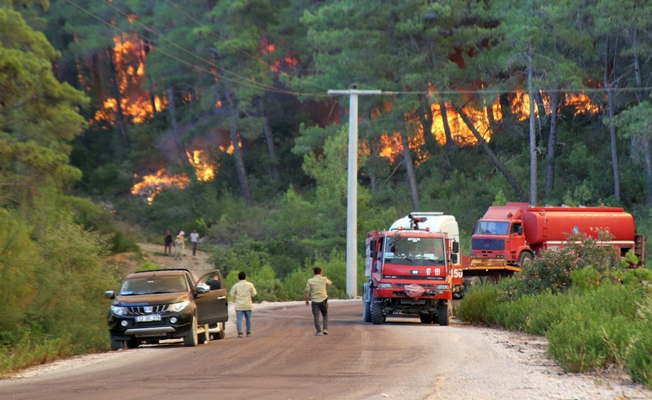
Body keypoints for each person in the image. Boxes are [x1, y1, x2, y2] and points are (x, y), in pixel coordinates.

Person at [305, 267, 332, 336]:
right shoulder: (324, 279)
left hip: (314, 300)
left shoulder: (310, 281)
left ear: (313, 273)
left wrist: (307, 300)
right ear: (321, 272)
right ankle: (325, 329)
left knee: (316, 316)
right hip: (323, 299)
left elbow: (307, 291)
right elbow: (330, 283)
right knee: (325, 314)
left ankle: (318, 331)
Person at [229, 271, 257, 338]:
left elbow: (231, 294)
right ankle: (248, 332)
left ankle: (240, 333)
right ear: (245, 277)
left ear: (238, 278)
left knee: (239, 319)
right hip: (248, 304)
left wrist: (236, 296)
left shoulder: (236, 286)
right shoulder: (250, 285)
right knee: (248, 319)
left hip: (239, 305)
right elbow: (254, 293)